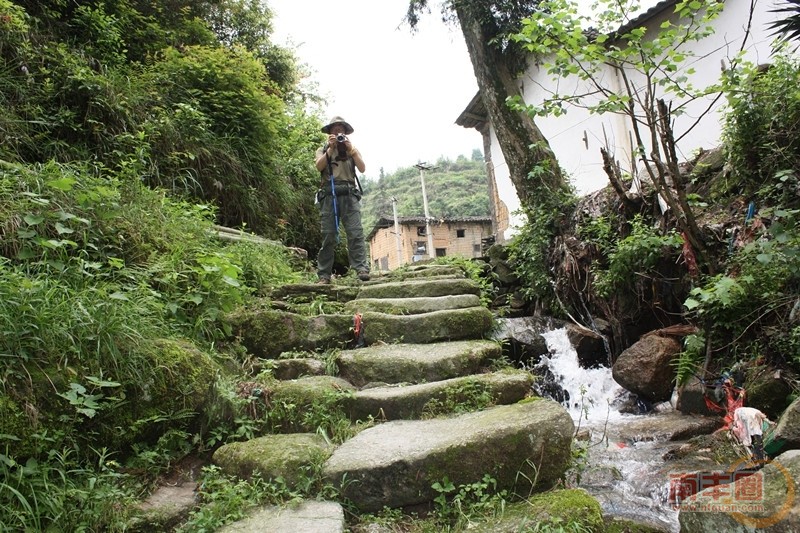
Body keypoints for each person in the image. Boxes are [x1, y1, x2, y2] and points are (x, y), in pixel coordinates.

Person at [314, 116, 370, 283]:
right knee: (328, 235)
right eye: (335, 129)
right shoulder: (322, 149)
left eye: (341, 129)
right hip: (329, 195)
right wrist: (330, 150)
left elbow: (362, 168)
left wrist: (351, 149)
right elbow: (319, 166)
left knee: (355, 233)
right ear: (330, 132)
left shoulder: (352, 149)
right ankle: (324, 275)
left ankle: (361, 268)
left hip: (349, 194)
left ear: (346, 133)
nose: (338, 131)